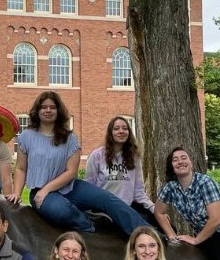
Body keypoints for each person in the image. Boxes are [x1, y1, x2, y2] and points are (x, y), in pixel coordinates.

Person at [8, 92, 148, 236]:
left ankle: (146, 233)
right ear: (37, 111)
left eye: (52, 107)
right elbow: (20, 168)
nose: (48, 110)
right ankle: (91, 226)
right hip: (40, 193)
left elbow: (71, 171)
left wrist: (47, 188)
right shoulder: (26, 137)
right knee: (62, 211)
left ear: (59, 111)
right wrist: (17, 193)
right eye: (44, 107)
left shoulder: (70, 138)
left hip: (71, 187)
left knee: (108, 199)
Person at [84, 116, 157, 224]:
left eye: (125, 128)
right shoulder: (96, 156)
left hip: (127, 208)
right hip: (104, 210)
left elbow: (139, 192)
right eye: (116, 128)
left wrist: (153, 208)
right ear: (110, 132)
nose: (121, 131)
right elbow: (88, 188)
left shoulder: (134, 157)